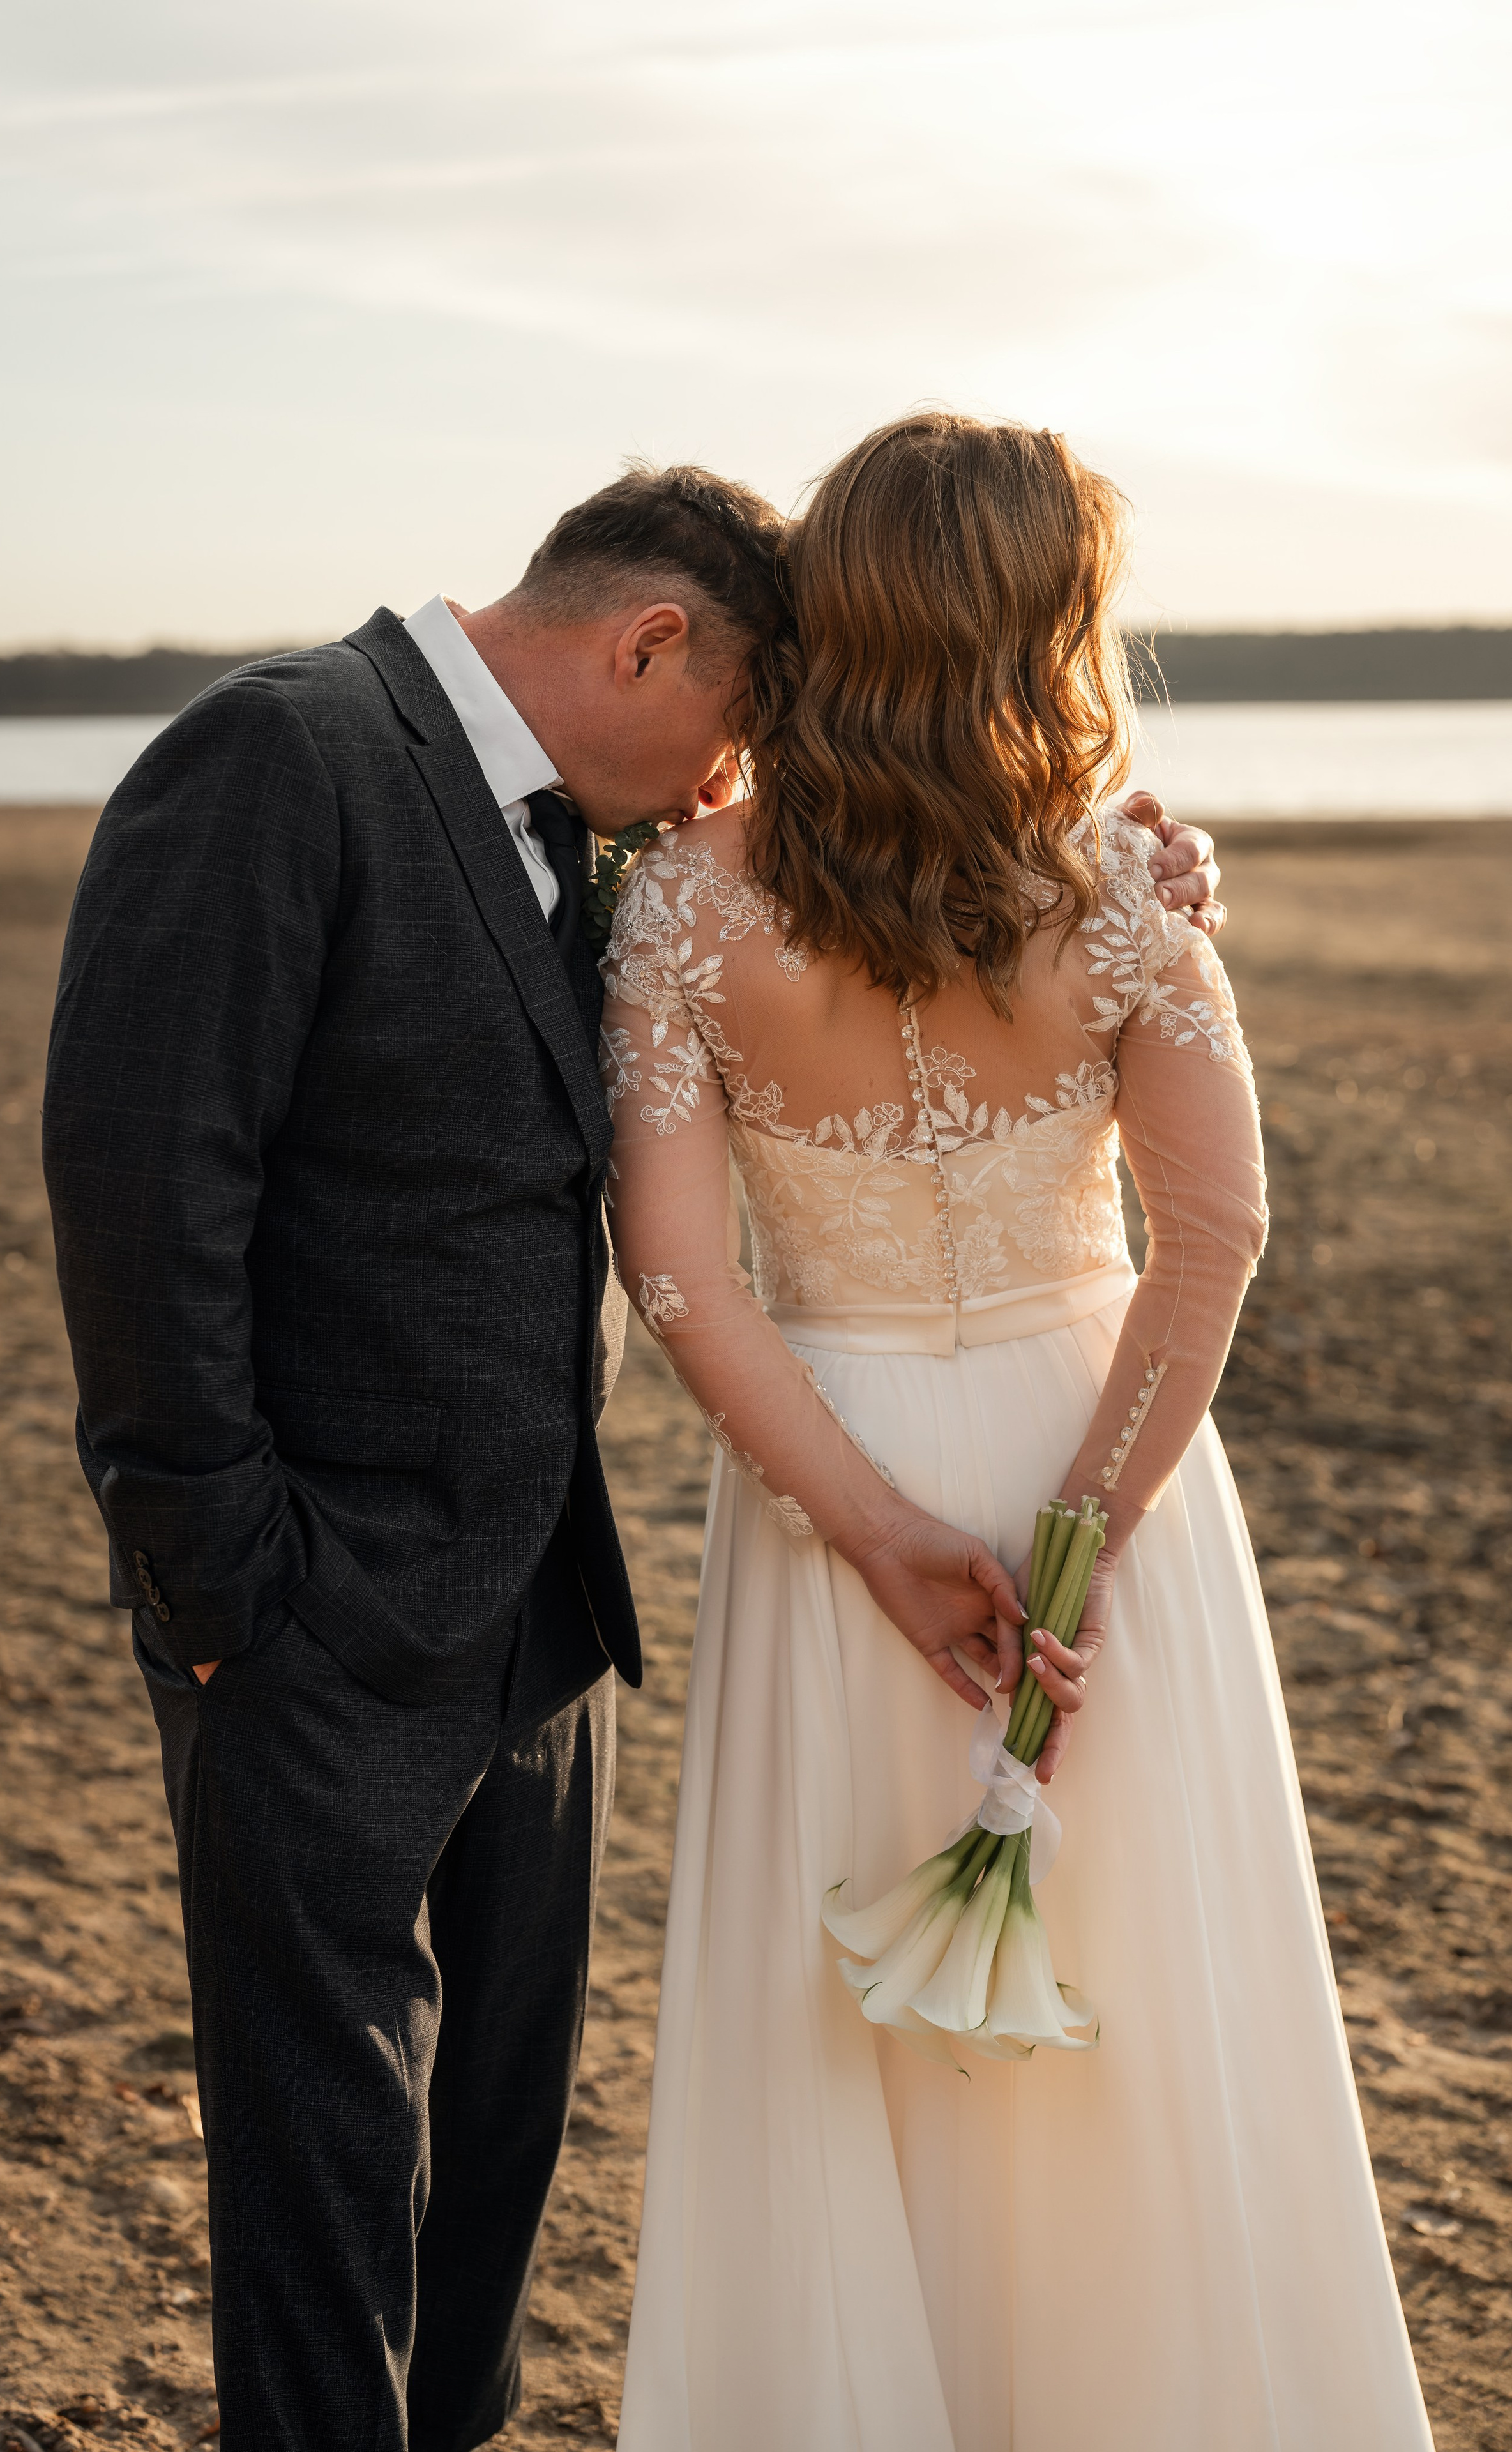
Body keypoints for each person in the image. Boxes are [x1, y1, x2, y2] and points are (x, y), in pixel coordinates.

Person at [42, 458, 1218, 2451]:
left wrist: (1133, 864)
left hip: (532, 1608)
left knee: (492, 2148)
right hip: (312, 1616)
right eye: (732, 731)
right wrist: (218, 1592)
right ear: (647, 642)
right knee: (328, 2180)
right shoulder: (282, 752)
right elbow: (143, 1194)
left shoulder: (580, 832)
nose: (720, 787)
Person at [601, 415, 1432, 2450]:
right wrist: (1083, 1531)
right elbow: (1216, 1230)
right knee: (1153, 2006)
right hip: (1110, 1463)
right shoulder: (1127, 884)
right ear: (1051, 619)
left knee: (845, 2035)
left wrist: (876, 1525)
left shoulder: (680, 908)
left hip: (828, 1480)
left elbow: (678, 1275)